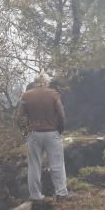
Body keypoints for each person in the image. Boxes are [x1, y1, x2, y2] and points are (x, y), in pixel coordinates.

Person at [15, 72, 69, 200]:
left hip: (34, 134)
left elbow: (18, 118)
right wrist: (59, 130)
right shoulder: (54, 94)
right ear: (47, 82)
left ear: (35, 82)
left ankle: (35, 196)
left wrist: (25, 133)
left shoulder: (26, 95)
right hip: (52, 133)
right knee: (57, 165)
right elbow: (61, 115)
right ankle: (61, 193)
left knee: (34, 166)